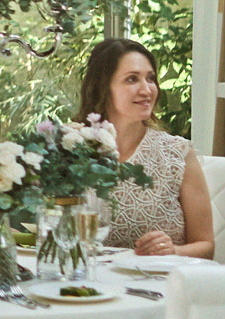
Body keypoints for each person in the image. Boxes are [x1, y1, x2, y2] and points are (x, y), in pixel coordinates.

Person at [82, 39, 215, 258]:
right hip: (87, 277)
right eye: (132, 79)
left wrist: (173, 251)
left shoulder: (177, 154)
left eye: (150, 78)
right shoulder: (72, 150)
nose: (147, 90)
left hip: (160, 278)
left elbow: (206, 247)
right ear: (103, 88)